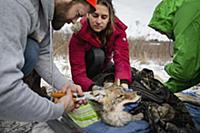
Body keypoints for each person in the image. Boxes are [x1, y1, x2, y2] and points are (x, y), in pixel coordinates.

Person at [0, 0, 96, 122]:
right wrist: (56, 109)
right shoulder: (16, 6)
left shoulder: (45, 17)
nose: (74, 21)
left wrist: (65, 85)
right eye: (77, 13)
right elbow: (3, 88)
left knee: (32, 49)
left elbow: (43, 54)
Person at [149, 0, 200, 130]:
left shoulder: (186, 13)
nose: (164, 34)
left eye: (161, 31)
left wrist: (168, 67)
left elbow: (185, 70)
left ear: (164, 18)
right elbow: (195, 71)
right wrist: (167, 88)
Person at [69, 0, 132, 92]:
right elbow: (77, 71)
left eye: (104, 17)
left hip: (105, 66)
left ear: (110, 18)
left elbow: (122, 58)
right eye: (95, 15)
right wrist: (93, 87)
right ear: (88, 14)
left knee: (121, 70)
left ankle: (104, 79)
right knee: (98, 54)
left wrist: (123, 83)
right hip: (87, 72)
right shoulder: (79, 33)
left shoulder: (118, 31)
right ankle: (93, 82)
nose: (99, 21)